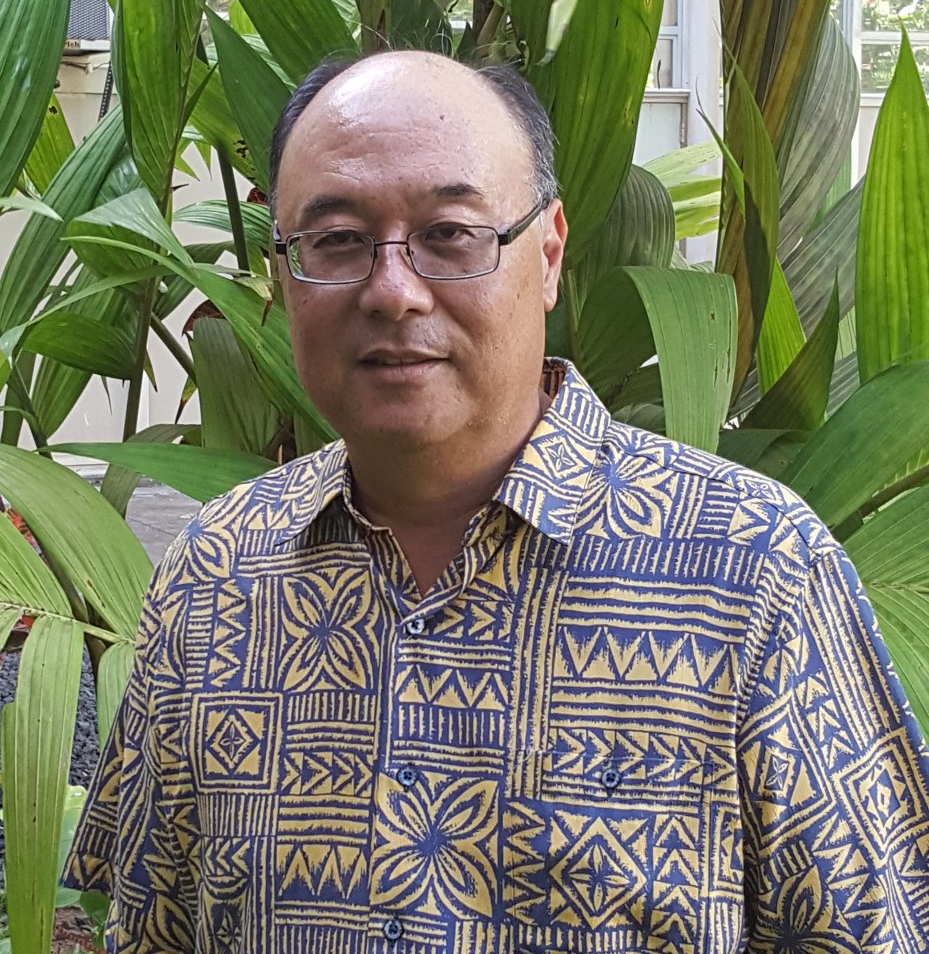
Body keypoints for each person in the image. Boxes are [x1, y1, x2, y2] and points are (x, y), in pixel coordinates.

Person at [64, 50, 929, 953]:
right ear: (284, 275)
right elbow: (150, 929)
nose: (393, 291)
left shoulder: (749, 571)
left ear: (546, 254)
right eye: (335, 241)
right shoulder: (217, 572)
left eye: (449, 234)